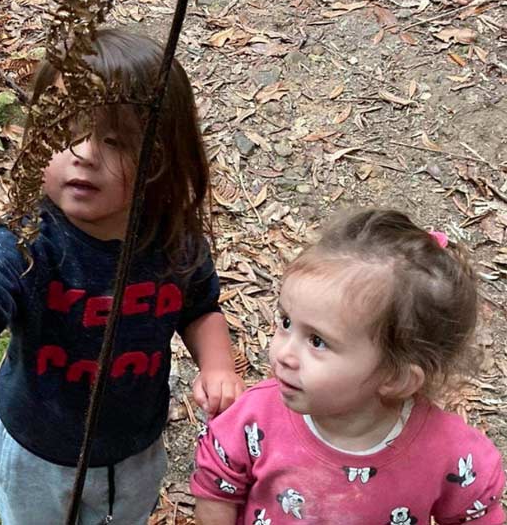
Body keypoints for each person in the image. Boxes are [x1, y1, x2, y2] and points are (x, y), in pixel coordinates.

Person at [0, 29, 243, 524]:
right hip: (37, 447)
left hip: (133, 444)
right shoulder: (29, 238)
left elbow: (199, 305)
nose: (85, 153)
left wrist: (219, 366)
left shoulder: (171, 238)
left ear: (159, 158)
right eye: (63, 131)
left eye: (114, 140)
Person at [191, 209, 506, 524]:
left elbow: (477, 511)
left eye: (317, 341)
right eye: (286, 322)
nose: (284, 353)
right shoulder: (256, 418)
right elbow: (217, 484)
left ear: (396, 377)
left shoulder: (444, 451)